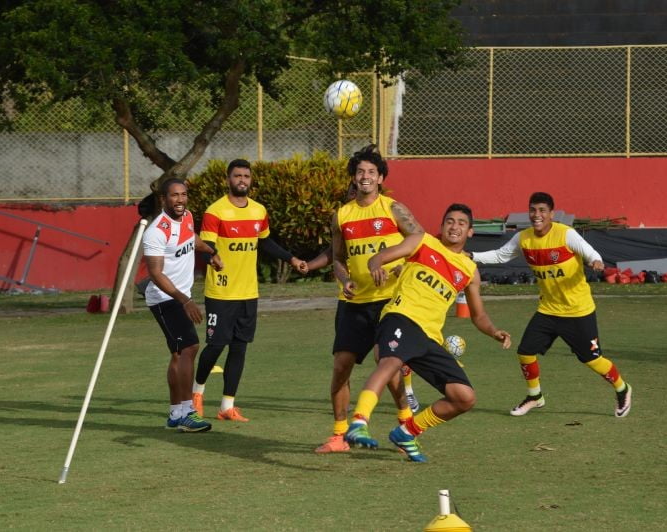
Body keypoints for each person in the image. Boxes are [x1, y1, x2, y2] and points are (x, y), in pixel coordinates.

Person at [345, 203, 512, 462]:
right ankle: (358, 421)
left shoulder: (469, 270)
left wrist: (494, 332)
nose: (454, 226)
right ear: (441, 225)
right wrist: (376, 264)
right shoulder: (422, 241)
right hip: (402, 316)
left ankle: (406, 432)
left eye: (461, 223)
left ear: (470, 232)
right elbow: (378, 257)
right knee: (389, 362)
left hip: (429, 336)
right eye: (450, 221)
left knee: (464, 397)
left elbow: (478, 316)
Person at [471, 192, 632, 418]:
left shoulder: (566, 235)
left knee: (591, 359)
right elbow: (500, 256)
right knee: (525, 352)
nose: (537, 215)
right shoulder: (523, 238)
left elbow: (590, 253)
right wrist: (470, 255)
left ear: (551, 214)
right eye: (533, 210)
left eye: (542, 211)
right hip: (548, 310)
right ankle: (535, 396)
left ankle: (622, 389)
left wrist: (595, 261)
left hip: (578, 311)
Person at [315, 144, 424, 454]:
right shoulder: (342, 215)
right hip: (354, 303)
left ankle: (406, 427)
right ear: (354, 177)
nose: (365, 176)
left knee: (385, 364)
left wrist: (398, 264)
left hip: (390, 301)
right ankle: (339, 434)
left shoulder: (394, 209)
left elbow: (419, 241)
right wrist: (345, 278)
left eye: (371, 172)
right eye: (360, 171)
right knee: (341, 365)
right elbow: (337, 258)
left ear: (380, 178)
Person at [192, 159, 307, 422]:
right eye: (237, 176)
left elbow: (265, 242)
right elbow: (205, 246)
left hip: (248, 292)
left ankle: (227, 406)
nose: (242, 180)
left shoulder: (258, 211)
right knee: (216, 345)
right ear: (228, 179)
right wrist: (212, 258)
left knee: (240, 348)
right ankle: (196, 394)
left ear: (251, 180)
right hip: (221, 293)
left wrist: (292, 259)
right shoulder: (215, 211)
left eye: (246, 176)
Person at [143, 179, 222, 432]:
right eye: (174, 196)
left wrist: (209, 252)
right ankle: (188, 411)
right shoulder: (156, 231)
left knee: (179, 353)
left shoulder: (186, 216)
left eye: (183, 195)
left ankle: (176, 413)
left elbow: (192, 239)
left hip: (179, 296)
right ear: (164, 199)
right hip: (165, 297)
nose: (180, 200)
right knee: (190, 346)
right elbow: (155, 273)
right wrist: (185, 300)